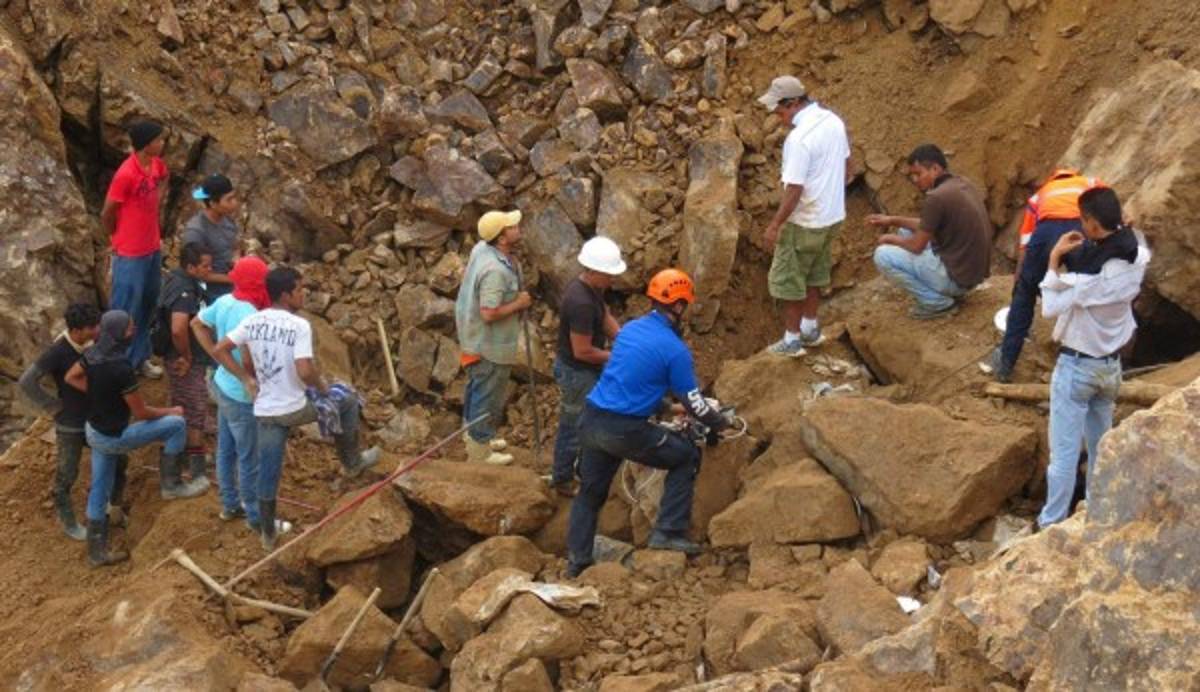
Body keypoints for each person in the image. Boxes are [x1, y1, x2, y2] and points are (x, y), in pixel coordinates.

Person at [565, 269, 731, 578]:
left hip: (592, 419)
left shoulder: (630, 330)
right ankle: (668, 531)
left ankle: (577, 563)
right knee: (685, 456)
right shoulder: (674, 349)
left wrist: (669, 408)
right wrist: (719, 422)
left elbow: (629, 383)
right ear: (679, 305)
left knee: (590, 493)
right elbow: (697, 403)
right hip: (625, 429)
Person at [212, 266, 380, 550]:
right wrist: (323, 389)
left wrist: (246, 379)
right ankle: (352, 463)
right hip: (294, 406)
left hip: (266, 410)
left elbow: (220, 349)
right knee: (347, 400)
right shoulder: (299, 325)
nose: (304, 295)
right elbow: (304, 370)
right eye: (300, 290)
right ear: (286, 294)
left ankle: (267, 533)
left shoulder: (254, 320)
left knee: (269, 470)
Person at [1037, 187, 1147, 529]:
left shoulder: (1087, 281)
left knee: (1064, 455)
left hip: (1077, 368)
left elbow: (1050, 309)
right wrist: (1123, 228)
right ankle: (1100, 513)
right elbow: (1137, 240)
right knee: (1102, 447)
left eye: (1084, 220)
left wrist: (1055, 260)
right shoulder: (1138, 259)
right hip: (1110, 368)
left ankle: (1052, 523)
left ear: (1092, 224)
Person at [64, 311, 188, 567]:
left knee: (99, 487)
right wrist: (171, 410)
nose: (133, 331)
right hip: (113, 437)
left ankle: (96, 553)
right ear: (119, 333)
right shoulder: (121, 368)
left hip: (94, 431)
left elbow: (71, 377)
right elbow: (141, 413)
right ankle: (172, 485)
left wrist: (101, 393)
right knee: (176, 425)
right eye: (130, 328)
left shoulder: (91, 354)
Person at [757, 75, 851, 356]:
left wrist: (775, 225)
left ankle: (792, 339)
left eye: (780, 110)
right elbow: (849, 167)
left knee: (790, 281)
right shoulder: (833, 121)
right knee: (814, 273)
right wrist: (829, 192)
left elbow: (795, 189)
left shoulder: (799, 139)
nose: (778, 116)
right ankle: (810, 329)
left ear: (795, 103)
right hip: (832, 217)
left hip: (805, 222)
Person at [986, 168, 1104, 382]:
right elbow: (1108, 208)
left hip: (1046, 231)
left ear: (1053, 178)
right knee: (1089, 292)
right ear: (1073, 174)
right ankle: (1093, 364)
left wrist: (1022, 279)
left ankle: (1005, 365)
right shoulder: (1090, 182)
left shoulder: (1040, 195)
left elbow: (1026, 243)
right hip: (1081, 228)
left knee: (1024, 298)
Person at [193, 256, 279, 532]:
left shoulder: (227, 300)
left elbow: (197, 324)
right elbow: (248, 355)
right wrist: (248, 378)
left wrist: (218, 358)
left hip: (222, 386)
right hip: (242, 396)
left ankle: (230, 504)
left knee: (226, 449)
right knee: (249, 457)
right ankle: (256, 518)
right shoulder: (251, 314)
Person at [867, 144, 992, 319]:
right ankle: (945, 291)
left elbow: (917, 246)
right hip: (970, 275)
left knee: (882, 255)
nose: (915, 180)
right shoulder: (961, 184)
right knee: (905, 230)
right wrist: (892, 219)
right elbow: (928, 225)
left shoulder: (936, 197)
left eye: (918, 174)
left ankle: (936, 303)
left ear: (935, 168)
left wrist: (889, 239)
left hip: (957, 280)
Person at [455, 209, 534, 465]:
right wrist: (519, 303)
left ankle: (476, 436)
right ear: (501, 238)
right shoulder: (495, 272)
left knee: (476, 388)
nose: (517, 226)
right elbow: (489, 313)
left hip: (474, 337)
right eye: (512, 226)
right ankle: (480, 451)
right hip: (488, 345)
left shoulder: (483, 248)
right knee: (486, 395)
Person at [18, 303, 102, 541]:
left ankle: (107, 506)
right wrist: (52, 406)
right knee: (66, 475)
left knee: (116, 460)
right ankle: (69, 521)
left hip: (93, 418)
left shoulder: (87, 344)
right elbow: (27, 381)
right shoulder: (57, 351)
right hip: (70, 424)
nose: (96, 330)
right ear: (76, 330)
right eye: (91, 327)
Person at [549, 237, 626, 496]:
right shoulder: (580, 302)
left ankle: (584, 469)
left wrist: (625, 341)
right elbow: (582, 351)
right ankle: (562, 478)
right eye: (609, 274)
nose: (612, 280)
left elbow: (604, 315)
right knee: (574, 424)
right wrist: (615, 357)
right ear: (594, 271)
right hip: (576, 372)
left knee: (591, 418)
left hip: (585, 369)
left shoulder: (591, 289)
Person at [101, 120, 169, 378]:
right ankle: (114, 367)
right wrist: (115, 237)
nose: (162, 144)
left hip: (151, 248)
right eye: (159, 140)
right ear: (147, 144)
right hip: (130, 253)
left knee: (147, 305)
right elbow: (108, 212)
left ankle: (138, 359)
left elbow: (164, 176)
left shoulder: (155, 165)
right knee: (123, 311)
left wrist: (156, 203)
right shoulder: (126, 174)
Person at [159, 241, 214, 492]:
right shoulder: (184, 290)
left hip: (181, 355)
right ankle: (195, 471)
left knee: (185, 406)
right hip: (182, 359)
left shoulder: (179, 280)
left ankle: (187, 460)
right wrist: (187, 356)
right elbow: (178, 328)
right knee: (194, 410)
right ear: (191, 267)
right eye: (204, 266)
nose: (209, 270)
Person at [182, 173, 241, 303]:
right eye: (229, 200)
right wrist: (233, 279)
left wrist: (237, 262)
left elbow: (235, 247)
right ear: (213, 203)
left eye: (234, 198)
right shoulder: (196, 231)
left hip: (231, 283)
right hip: (208, 292)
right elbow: (196, 272)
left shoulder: (228, 219)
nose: (234, 203)